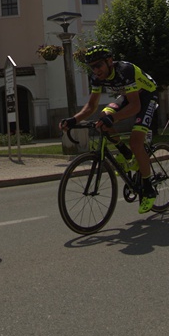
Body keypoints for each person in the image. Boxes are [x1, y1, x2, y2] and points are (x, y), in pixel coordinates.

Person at [59, 45, 161, 214]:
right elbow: (91, 106)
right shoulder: (97, 78)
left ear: (109, 61)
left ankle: (148, 188)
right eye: (92, 67)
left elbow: (136, 106)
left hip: (147, 96)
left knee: (136, 142)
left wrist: (113, 117)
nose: (96, 70)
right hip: (129, 95)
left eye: (98, 65)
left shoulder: (125, 70)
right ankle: (126, 154)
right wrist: (73, 119)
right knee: (101, 120)